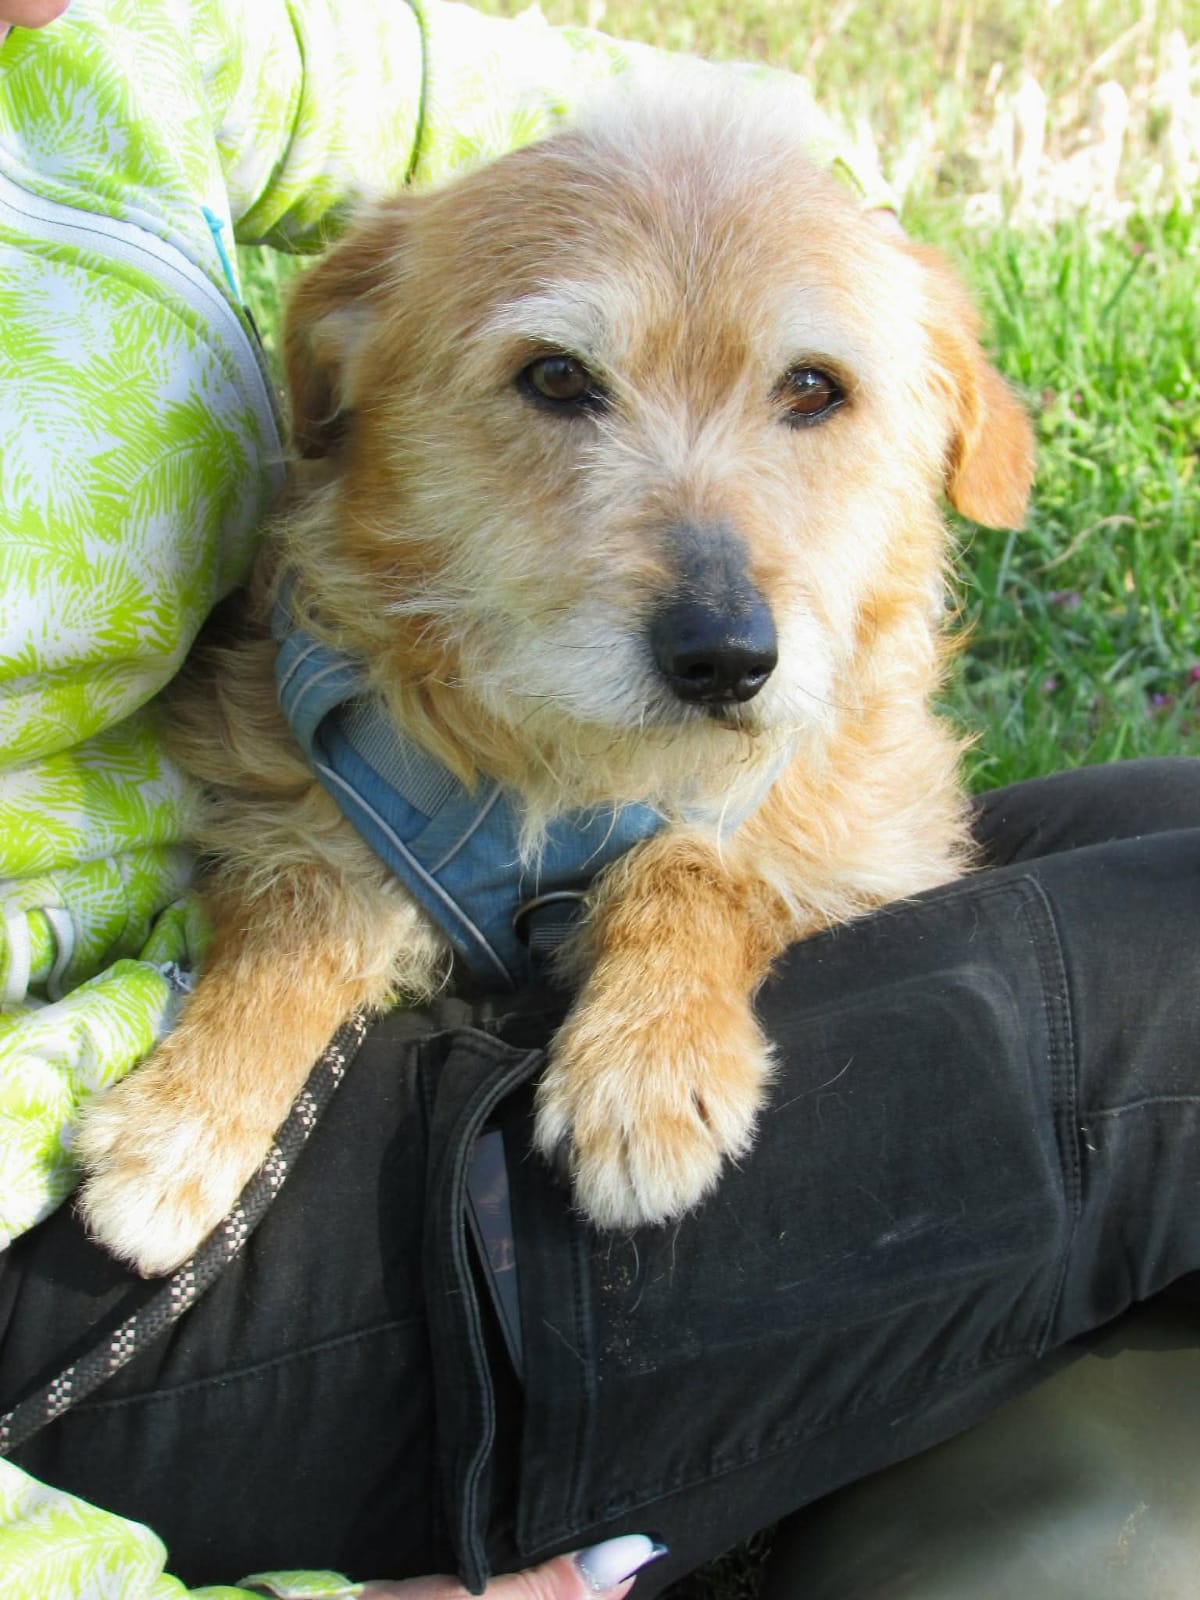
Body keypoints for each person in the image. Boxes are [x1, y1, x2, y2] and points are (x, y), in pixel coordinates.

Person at [1, 4, 1198, 1599]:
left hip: (353, 1004)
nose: (714, 585)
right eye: (560, 381)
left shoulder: (98, 61)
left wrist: (817, 228)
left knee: (1173, 830)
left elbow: (589, 108)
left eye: (812, 393)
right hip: (97, 1297)